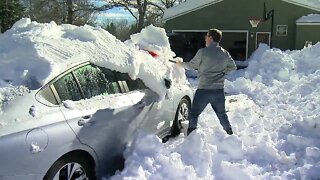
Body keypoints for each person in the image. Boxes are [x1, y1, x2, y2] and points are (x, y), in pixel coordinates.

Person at [177, 28, 237, 135]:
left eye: (206, 36)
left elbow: (191, 65)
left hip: (203, 90)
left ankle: (191, 136)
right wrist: (222, 72)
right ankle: (230, 134)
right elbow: (233, 67)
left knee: (194, 114)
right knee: (222, 114)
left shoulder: (203, 52)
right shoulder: (225, 53)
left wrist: (179, 64)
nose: (205, 38)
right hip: (218, 91)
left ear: (210, 38)